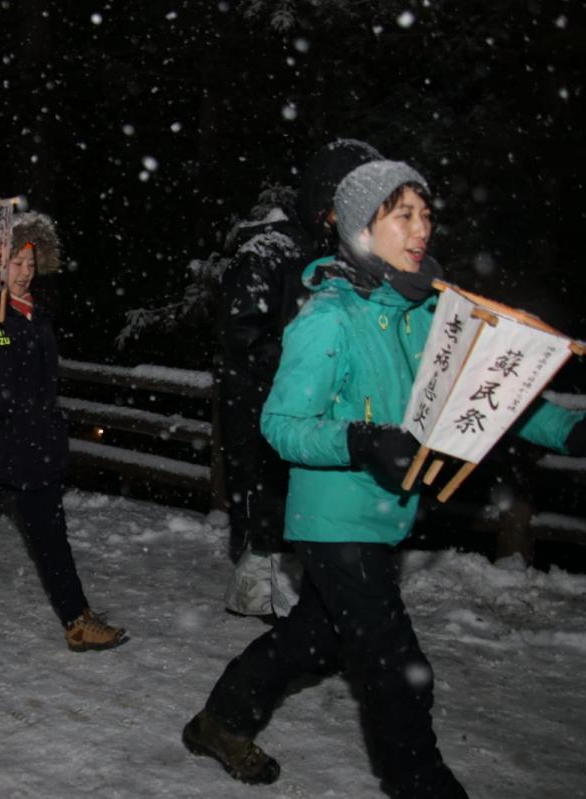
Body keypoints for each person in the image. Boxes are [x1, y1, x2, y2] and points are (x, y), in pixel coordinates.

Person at [182, 161, 586, 797]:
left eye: (425, 214)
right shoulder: (329, 317)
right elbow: (281, 424)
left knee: (315, 639)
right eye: (402, 214)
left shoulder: (428, 313)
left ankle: (221, 722)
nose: (421, 228)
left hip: (382, 517)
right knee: (398, 670)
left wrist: (569, 431)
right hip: (332, 520)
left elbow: (490, 392)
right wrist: (362, 440)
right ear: (360, 229)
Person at [0, 212, 127, 652]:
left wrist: (53, 436)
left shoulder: (37, 316)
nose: (25, 272)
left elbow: (42, 386)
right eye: (16, 262)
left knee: (51, 538)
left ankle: (76, 619)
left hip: (33, 450)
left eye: (31, 263)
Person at [220, 139, 382, 619]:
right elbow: (240, 330)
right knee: (265, 498)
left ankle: (288, 591)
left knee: (295, 499)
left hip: (308, 405)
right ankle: (262, 591)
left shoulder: (329, 252)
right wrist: (299, 368)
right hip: (263, 401)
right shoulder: (268, 250)